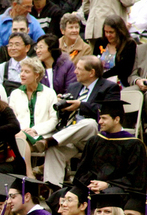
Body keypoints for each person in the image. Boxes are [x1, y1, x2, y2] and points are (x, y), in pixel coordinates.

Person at [37, 56, 121, 187]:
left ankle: (49, 140)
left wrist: (81, 105)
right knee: (54, 150)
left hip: (95, 136)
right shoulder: (73, 87)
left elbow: (109, 112)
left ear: (91, 72)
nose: (75, 71)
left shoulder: (109, 87)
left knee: (90, 123)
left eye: (79, 69)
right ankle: (53, 192)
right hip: (72, 136)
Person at [74, 100, 147, 193]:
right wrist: (91, 184)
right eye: (100, 118)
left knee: (107, 194)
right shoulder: (95, 140)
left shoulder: (134, 144)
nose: (100, 122)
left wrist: (108, 185)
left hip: (118, 190)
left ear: (117, 119)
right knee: (62, 194)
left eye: (104, 118)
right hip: (91, 186)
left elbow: (135, 179)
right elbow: (83, 170)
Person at [8, 56, 57, 177]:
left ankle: (28, 174)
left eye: (26, 72)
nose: (22, 74)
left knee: (18, 139)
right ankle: (28, 173)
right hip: (20, 133)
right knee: (18, 137)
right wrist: (23, 130)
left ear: (36, 75)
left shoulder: (49, 93)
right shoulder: (15, 94)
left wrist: (35, 130)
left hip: (41, 135)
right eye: (21, 71)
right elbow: (12, 119)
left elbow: (54, 119)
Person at [128, 16, 147, 156]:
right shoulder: (141, 49)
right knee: (126, 93)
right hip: (144, 85)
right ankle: (125, 135)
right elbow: (132, 75)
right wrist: (138, 81)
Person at [92, 15, 136, 87]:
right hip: (98, 82)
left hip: (118, 82)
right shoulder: (100, 42)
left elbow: (123, 69)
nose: (108, 35)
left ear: (119, 32)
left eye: (111, 32)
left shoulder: (129, 44)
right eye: (106, 32)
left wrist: (102, 77)